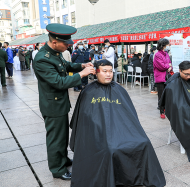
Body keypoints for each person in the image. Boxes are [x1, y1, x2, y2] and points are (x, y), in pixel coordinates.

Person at [69, 59, 166, 187]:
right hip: (98, 134)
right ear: (95, 73)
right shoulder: (88, 91)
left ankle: (139, 177)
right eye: (104, 71)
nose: (109, 74)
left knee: (144, 143)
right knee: (110, 148)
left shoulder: (119, 90)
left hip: (122, 131)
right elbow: (85, 120)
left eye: (111, 71)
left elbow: (131, 117)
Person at [32, 23, 95, 180]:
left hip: (60, 103)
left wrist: (81, 65)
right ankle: (58, 169)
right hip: (52, 105)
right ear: (55, 42)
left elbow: (66, 65)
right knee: (55, 138)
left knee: (62, 136)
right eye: (65, 44)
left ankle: (63, 159)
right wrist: (82, 74)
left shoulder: (55, 52)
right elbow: (59, 82)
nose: (68, 46)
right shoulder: (42, 59)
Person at [154, 38, 172, 119]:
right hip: (160, 78)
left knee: (168, 95)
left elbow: (169, 63)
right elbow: (161, 66)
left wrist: (169, 67)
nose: (169, 46)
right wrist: (168, 66)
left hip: (167, 77)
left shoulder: (166, 53)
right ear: (164, 45)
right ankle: (162, 111)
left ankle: (166, 109)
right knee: (161, 95)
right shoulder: (157, 55)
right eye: (168, 44)